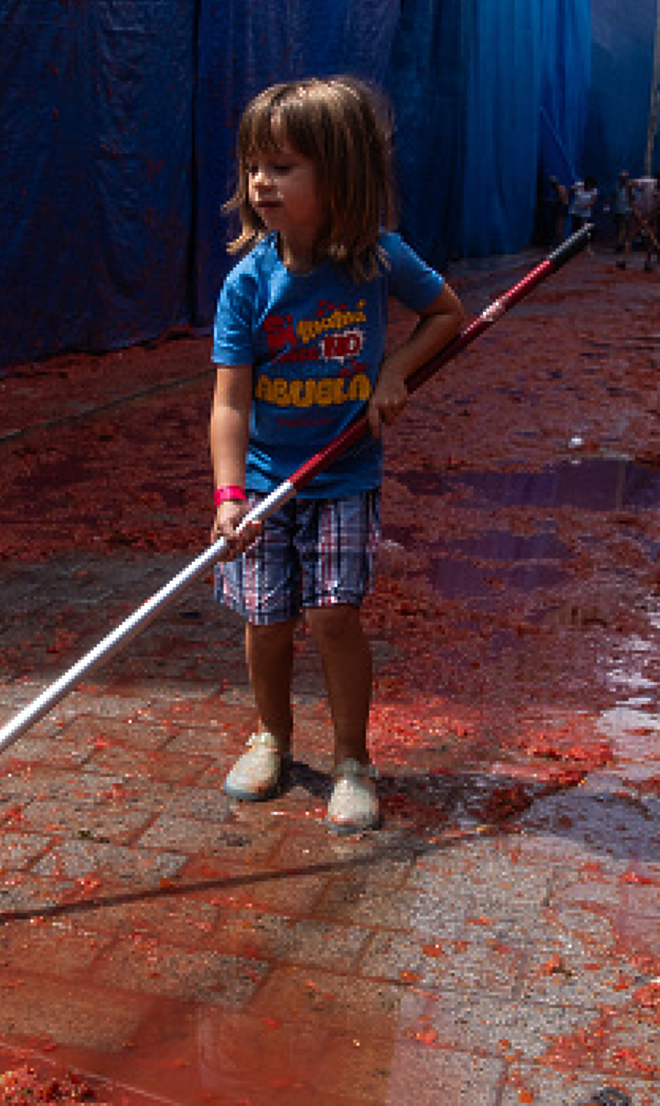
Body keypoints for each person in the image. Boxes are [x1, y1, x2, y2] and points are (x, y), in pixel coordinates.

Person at [208, 76, 468, 834]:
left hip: (345, 474)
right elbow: (229, 403)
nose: (262, 180)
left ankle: (353, 760)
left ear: (341, 173)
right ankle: (272, 737)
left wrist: (395, 370)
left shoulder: (376, 262)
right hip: (263, 484)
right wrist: (229, 496)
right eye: (255, 164)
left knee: (332, 615)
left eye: (284, 165)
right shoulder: (247, 284)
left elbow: (446, 312)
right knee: (266, 618)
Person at [610, 171, 634, 265]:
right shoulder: (616, 187)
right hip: (618, 210)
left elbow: (633, 198)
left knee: (623, 228)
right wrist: (608, 205)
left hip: (627, 210)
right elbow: (612, 197)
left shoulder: (630, 188)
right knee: (619, 228)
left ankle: (620, 245)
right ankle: (620, 243)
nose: (623, 179)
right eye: (622, 178)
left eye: (625, 178)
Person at [566, 175, 599, 242]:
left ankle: (582, 241)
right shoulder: (579, 185)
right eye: (589, 184)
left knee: (583, 227)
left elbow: (593, 200)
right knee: (575, 226)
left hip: (585, 212)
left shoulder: (594, 190)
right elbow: (569, 191)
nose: (590, 186)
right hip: (575, 210)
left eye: (591, 185)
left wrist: (587, 205)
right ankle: (573, 241)